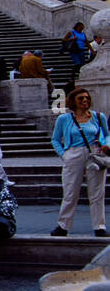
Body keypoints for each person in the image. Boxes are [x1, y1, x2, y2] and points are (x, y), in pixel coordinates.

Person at [50, 86, 110, 237]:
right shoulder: (64, 119)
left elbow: (107, 134)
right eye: (81, 98)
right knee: (70, 191)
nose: (85, 100)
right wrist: (64, 155)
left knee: (97, 192)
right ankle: (63, 225)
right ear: (73, 102)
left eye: (87, 98)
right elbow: (55, 139)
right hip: (73, 153)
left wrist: (107, 144)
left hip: (95, 153)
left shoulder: (98, 116)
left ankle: (99, 226)